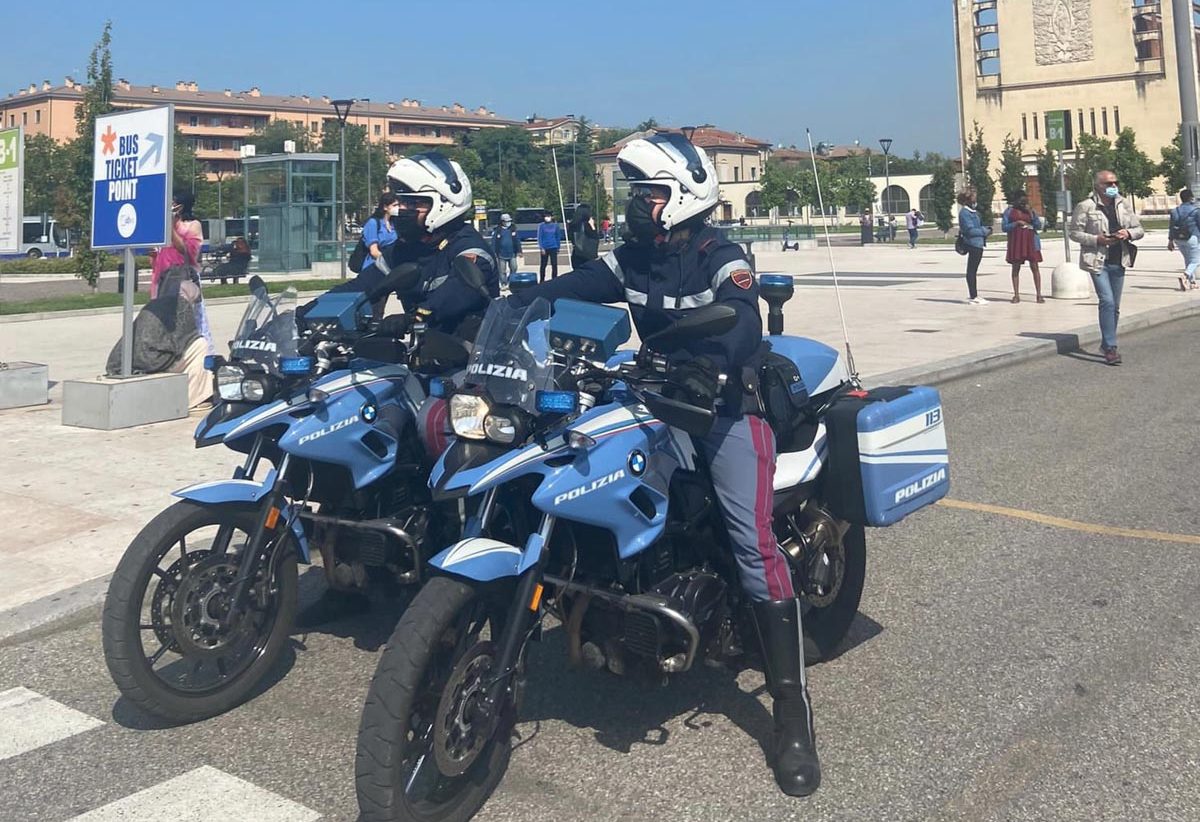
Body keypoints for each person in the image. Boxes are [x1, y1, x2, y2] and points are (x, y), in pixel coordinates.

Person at [509, 133, 821, 797]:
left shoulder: (720, 256)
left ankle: (792, 711)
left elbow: (741, 323)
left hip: (727, 411)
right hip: (653, 399)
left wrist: (704, 358)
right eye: (637, 193)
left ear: (681, 197)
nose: (637, 204)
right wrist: (516, 304)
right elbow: (579, 285)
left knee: (751, 543)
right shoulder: (633, 262)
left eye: (649, 193)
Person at [385, 152, 500, 336]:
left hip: (475, 356)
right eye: (403, 202)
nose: (402, 210)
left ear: (443, 204)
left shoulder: (469, 247)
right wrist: (327, 310)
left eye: (413, 204)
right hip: (424, 355)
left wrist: (413, 317)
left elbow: (458, 292)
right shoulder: (404, 249)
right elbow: (365, 285)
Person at [1068, 169, 1145, 365]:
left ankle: (1106, 343)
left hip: (1119, 259)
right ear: (1097, 186)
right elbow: (1074, 233)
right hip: (1097, 260)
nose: (1113, 187)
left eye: (1115, 183)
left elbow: (1139, 229)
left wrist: (1127, 233)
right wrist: (1097, 239)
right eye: (1108, 184)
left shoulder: (1123, 204)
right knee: (1107, 301)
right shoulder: (1086, 206)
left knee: (1115, 307)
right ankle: (1111, 347)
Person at [105, 267, 210, 408]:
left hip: (129, 361)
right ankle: (195, 399)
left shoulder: (152, 305)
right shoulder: (182, 306)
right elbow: (185, 340)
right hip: (154, 361)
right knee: (199, 344)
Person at [150, 192, 213, 354]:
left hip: (184, 278)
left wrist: (171, 226)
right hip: (165, 278)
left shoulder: (193, 225)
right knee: (163, 318)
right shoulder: (163, 225)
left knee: (188, 318)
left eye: (173, 202)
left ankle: (197, 353)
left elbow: (186, 250)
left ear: (180, 205)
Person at [1002, 191, 1045, 303]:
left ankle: (1039, 294)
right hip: (1017, 242)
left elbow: (1038, 225)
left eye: (1024, 200)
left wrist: (1031, 213)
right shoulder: (1009, 211)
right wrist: (1016, 223)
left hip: (1031, 242)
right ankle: (1016, 295)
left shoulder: (1030, 211)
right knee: (1016, 268)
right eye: (1020, 201)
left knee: (1035, 267)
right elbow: (1004, 227)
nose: (1022, 203)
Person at [957, 188, 991, 305]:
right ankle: (973, 296)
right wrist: (984, 231)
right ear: (968, 199)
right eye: (973, 196)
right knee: (971, 270)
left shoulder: (973, 212)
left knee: (973, 270)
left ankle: (974, 294)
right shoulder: (965, 213)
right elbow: (970, 230)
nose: (975, 198)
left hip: (979, 243)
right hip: (972, 243)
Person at [1167, 188, 1199, 292]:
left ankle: (1192, 282)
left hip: (1178, 239)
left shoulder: (1174, 211)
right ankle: (1185, 276)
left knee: (1188, 260)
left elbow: (1171, 226)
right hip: (1192, 237)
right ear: (1191, 198)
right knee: (1196, 260)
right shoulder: (1195, 210)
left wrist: (1170, 240)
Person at [490, 213, 521, 288]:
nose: (508, 223)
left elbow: (517, 240)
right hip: (501, 254)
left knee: (514, 268)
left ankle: (510, 281)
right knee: (502, 271)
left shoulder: (513, 229)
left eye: (509, 221)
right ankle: (503, 283)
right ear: (502, 221)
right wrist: (493, 252)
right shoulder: (498, 230)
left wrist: (519, 251)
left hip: (512, 253)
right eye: (506, 221)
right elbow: (494, 242)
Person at [568, 203, 600, 269]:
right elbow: (595, 238)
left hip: (577, 254)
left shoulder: (573, 224)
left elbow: (571, 238)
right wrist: (593, 226)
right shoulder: (588, 225)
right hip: (587, 255)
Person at [537, 211, 561, 282]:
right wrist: (541, 248)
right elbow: (539, 237)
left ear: (551, 217)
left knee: (554, 264)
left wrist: (558, 247)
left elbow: (558, 237)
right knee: (543, 265)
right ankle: (542, 279)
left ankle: (554, 279)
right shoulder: (541, 226)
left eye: (548, 216)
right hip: (544, 248)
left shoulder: (556, 226)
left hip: (553, 247)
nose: (547, 218)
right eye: (545, 216)